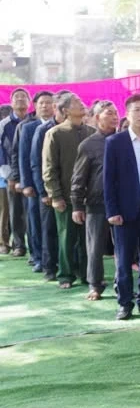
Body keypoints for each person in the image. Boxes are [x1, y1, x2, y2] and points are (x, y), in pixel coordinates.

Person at [104, 95, 140, 319]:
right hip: (124, 211)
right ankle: (125, 302)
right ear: (128, 114)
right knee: (124, 258)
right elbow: (108, 180)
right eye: (138, 110)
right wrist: (112, 211)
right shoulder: (115, 142)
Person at [42, 92, 94, 288]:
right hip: (65, 195)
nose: (82, 104)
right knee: (66, 237)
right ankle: (65, 275)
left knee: (87, 238)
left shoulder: (91, 132)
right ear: (65, 110)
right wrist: (55, 195)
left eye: (81, 101)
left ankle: (87, 274)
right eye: (76, 103)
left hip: (89, 196)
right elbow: (49, 168)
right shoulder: (55, 133)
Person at [71, 101, 119, 300]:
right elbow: (78, 177)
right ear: (97, 117)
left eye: (116, 112)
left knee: (123, 249)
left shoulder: (123, 140)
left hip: (121, 202)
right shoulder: (88, 145)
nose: (115, 116)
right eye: (109, 113)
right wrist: (77, 205)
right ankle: (95, 285)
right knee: (95, 247)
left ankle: (121, 285)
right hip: (96, 203)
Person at [19, 91, 56, 273]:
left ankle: (52, 257)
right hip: (35, 184)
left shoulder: (59, 126)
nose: (45, 106)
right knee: (35, 220)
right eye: (41, 103)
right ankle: (38, 257)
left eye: (49, 103)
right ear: (35, 105)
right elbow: (25, 158)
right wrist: (26, 183)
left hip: (54, 184)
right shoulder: (29, 127)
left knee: (50, 224)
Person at [32, 93, 68, 281]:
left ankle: (71, 267)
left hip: (69, 190)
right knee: (50, 230)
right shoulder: (44, 130)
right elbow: (37, 163)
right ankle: (49, 267)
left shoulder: (76, 129)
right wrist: (43, 191)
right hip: (49, 190)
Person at [1, 88, 33, 258]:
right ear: (11, 103)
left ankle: (34, 246)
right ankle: (18, 245)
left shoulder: (33, 122)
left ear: (29, 102)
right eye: (17, 97)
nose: (20, 100)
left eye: (23, 97)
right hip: (12, 174)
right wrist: (9, 176)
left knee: (31, 211)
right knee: (15, 210)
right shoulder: (4, 124)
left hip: (31, 173)